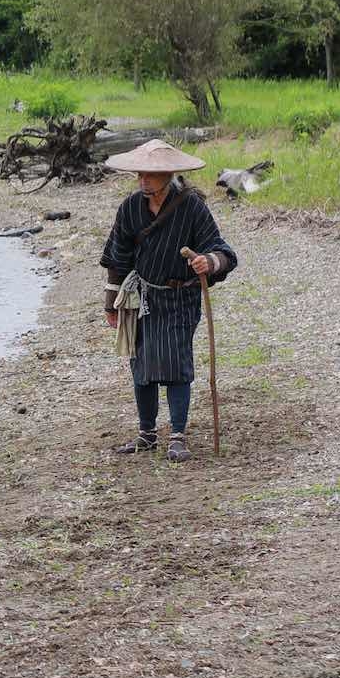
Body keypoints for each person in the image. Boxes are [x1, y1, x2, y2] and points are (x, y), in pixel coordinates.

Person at [99, 141, 239, 463]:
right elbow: (117, 258)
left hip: (180, 298)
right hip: (142, 299)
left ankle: (177, 436)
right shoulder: (130, 208)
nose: (143, 180)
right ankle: (146, 434)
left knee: (176, 364)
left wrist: (209, 262)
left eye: (150, 174)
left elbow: (223, 252)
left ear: (169, 174)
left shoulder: (192, 207)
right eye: (140, 174)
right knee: (142, 365)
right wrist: (110, 306)